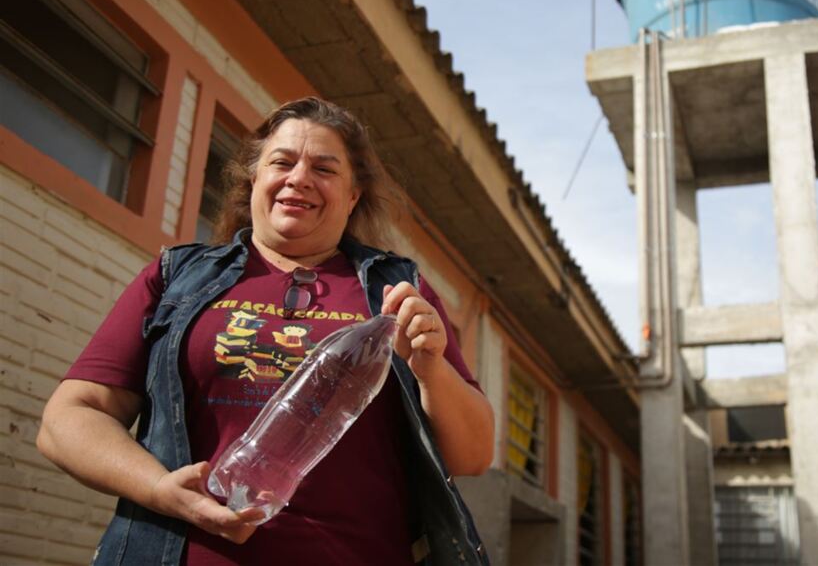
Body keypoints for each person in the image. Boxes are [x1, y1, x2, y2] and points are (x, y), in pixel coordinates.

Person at [36, 97, 495, 565]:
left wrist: (430, 368)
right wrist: (158, 488)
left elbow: (473, 455)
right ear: (254, 177)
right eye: (282, 162)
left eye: (324, 168)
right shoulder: (176, 276)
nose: (299, 178)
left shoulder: (398, 290)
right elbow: (67, 419)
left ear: (353, 195)